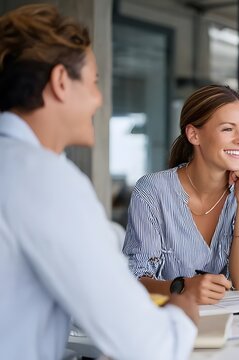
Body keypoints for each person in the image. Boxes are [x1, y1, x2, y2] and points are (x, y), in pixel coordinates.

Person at [0, 4, 198, 359]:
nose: (99, 99)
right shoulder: (45, 180)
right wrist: (182, 313)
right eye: (93, 82)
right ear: (61, 82)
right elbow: (148, 347)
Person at [122, 84, 239, 303]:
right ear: (194, 134)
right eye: (228, 129)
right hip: (170, 322)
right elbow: (136, 280)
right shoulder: (152, 192)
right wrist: (182, 287)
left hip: (235, 325)